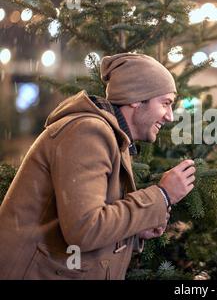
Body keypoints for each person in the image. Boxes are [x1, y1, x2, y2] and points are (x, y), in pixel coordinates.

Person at [0, 53, 196, 279]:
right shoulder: (88, 133)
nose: (170, 116)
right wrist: (162, 195)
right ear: (136, 99)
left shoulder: (113, 137)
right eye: (165, 103)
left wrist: (135, 231)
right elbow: (84, 229)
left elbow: (92, 222)